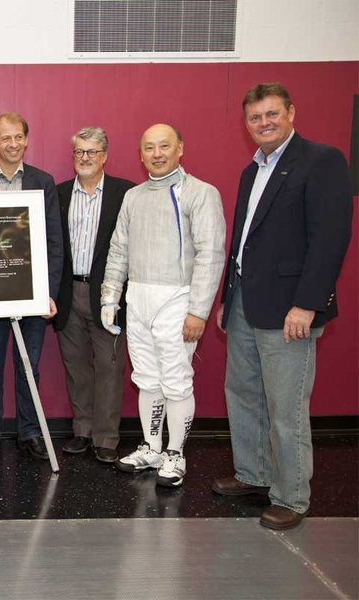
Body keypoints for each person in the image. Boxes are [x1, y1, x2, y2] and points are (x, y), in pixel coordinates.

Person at [213, 83, 353, 530]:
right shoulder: (250, 171)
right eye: (255, 117)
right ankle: (254, 475)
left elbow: (331, 239)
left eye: (272, 114)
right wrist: (225, 298)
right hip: (244, 304)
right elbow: (242, 242)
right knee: (243, 394)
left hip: (289, 310)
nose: (264, 123)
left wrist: (307, 305)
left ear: (291, 112)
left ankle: (291, 496)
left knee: (286, 406)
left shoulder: (321, 160)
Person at [101, 123, 225, 487]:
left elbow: (210, 254)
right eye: (149, 148)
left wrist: (198, 310)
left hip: (177, 299)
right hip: (137, 298)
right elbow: (119, 249)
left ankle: (175, 453)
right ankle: (152, 446)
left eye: (164, 146)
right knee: (146, 379)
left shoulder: (200, 193)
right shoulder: (134, 197)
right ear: (140, 155)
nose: (157, 154)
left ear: (180, 148)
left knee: (176, 380)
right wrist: (110, 297)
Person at [0, 112, 63, 463]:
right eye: (5, 138)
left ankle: (30, 432)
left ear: (26, 140)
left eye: (18, 137)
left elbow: (55, 241)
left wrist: (49, 292)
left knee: (29, 366)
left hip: (32, 291)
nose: (13, 144)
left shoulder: (44, 181)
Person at [53, 127, 135, 463]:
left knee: (109, 366)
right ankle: (82, 431)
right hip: (68, 292)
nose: (85, 158)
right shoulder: (57, 194)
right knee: (76, 367)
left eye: (92, 152)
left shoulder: (125, 193)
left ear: (104, 156)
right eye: (79, 152)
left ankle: (106, 439)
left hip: (108, 295)